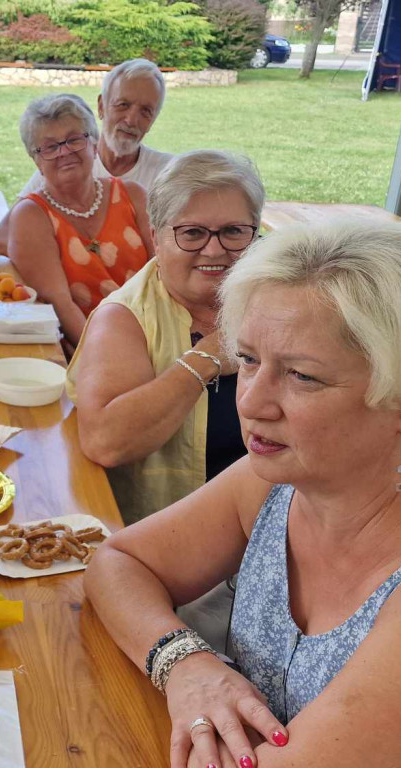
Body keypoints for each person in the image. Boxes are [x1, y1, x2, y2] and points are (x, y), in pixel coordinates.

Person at [85, 219, 401, 768]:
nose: (251, 402)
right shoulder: (279, 480)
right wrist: (185, 663)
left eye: (302, 376)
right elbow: (117, 561)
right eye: (249, 360)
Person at [69, 150, 263, 525]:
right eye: (191, 233)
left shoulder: (279, 301)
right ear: (156, 238)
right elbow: (106, 443)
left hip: (275, 527)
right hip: (171, 543)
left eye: (233, 231)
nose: (214, 249)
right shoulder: (124, 318)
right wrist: (205, 357)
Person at [8, 93, 153, 348]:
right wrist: (105, 356)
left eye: (74, 140)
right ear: (37, 161)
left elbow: (165, 274)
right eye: (50, 147)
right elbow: (61, 306)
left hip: (156, 332)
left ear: (94, 145)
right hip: (91, 347)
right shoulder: (32, 215)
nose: (64, 152)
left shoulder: (134, 196)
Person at [0, 58, 172, 254]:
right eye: (123, 105)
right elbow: (4, 238)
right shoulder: (70, 162)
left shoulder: (167, 175)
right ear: (102, 106)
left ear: (153, 119)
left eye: (146, 111)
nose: (131, 120)